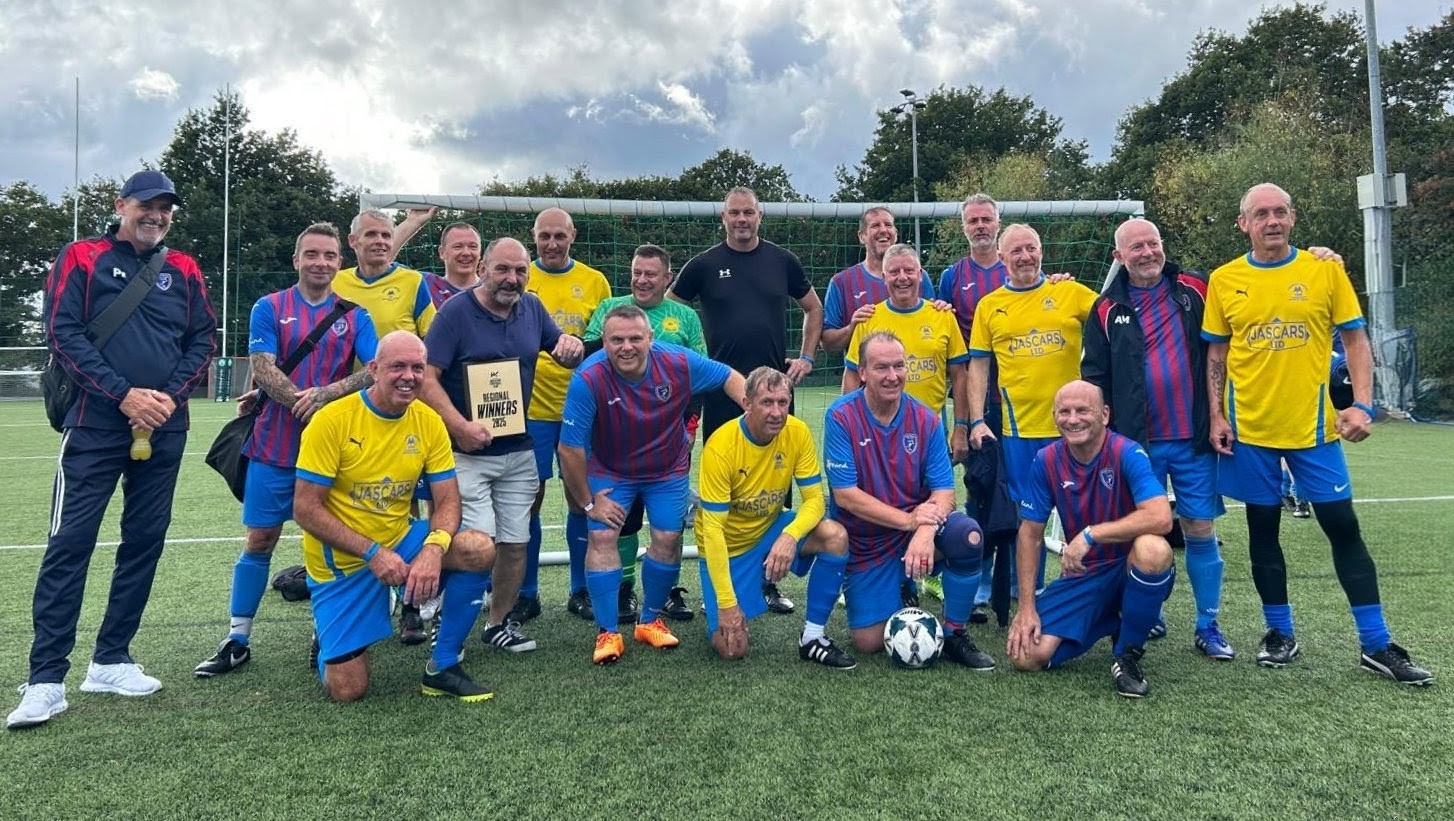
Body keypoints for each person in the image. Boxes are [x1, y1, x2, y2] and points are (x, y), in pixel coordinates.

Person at [9, 170, 217, 729]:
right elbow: (63, 332)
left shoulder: (186, 268)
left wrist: (163, 400)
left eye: (165, 207)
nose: (156, 215)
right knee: (69, 543)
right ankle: (46, 678)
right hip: (93, 424)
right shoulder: (80, 255)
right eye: (146, 204)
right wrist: (124, 395)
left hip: (166, 428)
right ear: (121, 204)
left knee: (143, 542)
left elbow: (204, 340)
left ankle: (111, 658)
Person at [1202, 182, 1432, 685]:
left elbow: (1354, 338)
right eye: (1260, 214)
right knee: (1264, 534)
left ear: (1293, 217)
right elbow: (1216, 354)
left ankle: (1376, 643)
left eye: (1280, 212)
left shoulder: (1324, 269)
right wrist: (1217, 417)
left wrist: (1363, 406)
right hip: (1250, 432)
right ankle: (1279, 633)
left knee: (1343, 528)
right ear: (1244, 224)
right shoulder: (1225, 279)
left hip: (1315, 430)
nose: (1271, 221)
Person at [194, 222, 379, 677]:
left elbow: (374, 369)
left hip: (334, 450)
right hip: (273, 446)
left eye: (330, 256)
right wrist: (304, 399)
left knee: (329, 544)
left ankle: (327, 632)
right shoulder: (269, 307)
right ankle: (237, 638)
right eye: (312, 254)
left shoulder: (356, 315)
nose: (321, 263)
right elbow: (262, 366)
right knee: (260, 540)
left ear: (341, 262)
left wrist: (328, 394)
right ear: (296, 260)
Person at [294, 331, 496, 701]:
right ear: (373, 369)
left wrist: (434, 548)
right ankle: (327, 635)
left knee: (478, 548)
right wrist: (373, 553)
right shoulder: (332, 420)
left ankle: (442, 666)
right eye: (397, 366)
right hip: (343, 561)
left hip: (401, 541)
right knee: (348, 691)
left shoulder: (428, 420)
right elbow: (305, 509)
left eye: (418, 368)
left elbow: (448, 500)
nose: (409, 376)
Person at [419, 237, 584, 653]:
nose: (512, 279)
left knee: (514, 543)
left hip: (517, 450)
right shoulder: (455, 312)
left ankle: (498, 622)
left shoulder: (531, 308)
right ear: (484, 268)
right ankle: (445, 619)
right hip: (466, 452)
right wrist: (458, 426)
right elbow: (426, 377)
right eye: (503, 270)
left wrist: (571, 346)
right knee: (476, 545)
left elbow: (560, 350)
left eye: (520, 271)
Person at [558, 305, 746, 665]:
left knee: (668, 538)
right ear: (605, 343)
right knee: (601, 536)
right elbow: (569, 449)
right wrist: (587, 504)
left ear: (650, 339)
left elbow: (728, 376)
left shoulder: (677, 362)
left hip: (667, 470)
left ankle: (649, 621)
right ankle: (607, 632)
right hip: (611, 471)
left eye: (634, 339)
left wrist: (752, 413)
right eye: (616, 340)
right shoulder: (588, 377)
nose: (625, 347)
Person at [1081, 218, 1233, 660]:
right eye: (1136, 247)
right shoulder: (1106, 308)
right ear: (1119, 257)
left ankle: (1208, 624)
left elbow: (1230, 334)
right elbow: (1095, 376)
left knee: (1200, 528)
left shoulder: (1197, 289)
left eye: (1153, 244)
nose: (1147, 253)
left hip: (1193, 439)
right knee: (1143, 535)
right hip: (1137, 446)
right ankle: (1149, 611)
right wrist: (1104, 437)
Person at [671, 186, 823, 614]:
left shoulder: (782, 261)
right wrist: (690, 362)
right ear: (723, 218)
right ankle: (720, 580)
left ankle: (769, 581)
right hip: (723, 392)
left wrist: (808, 357)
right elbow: (669, 315)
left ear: (760, 216)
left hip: (775, 393)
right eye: (734, 213)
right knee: (725, 489)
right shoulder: (703, 265)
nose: (742, 220)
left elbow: (814, 309)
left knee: (779, 487)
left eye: (749, 213)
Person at [824, 331, 994, 670]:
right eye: (881, 367)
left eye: (899, 366)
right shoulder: (840, 416)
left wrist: (923, 532)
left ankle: (955, 632)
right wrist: (909, 522)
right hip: (867, 540)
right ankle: (899, 584)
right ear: (862, 372)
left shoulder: (926, 419)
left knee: (968, 536)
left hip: (916, 530)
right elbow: (846, 497)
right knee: (868, 641)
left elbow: (945, 492)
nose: (893, 375)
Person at [1005, 381, 1176, 698]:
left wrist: (1091, 534)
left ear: (1105, 414)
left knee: (1152, 549)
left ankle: (1127, 653)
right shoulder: (1046, 460)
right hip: (1086, 575)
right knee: (1026, 656)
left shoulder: (1127, 452)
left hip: (1130, 567)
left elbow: (1161, 517)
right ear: (1054, 417)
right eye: (1064, 412)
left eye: (1083, 410)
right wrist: (1026, 607)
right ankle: (1114, 619)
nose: (1073, 419)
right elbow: (1030, 534)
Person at [966, 223, 1099, 593]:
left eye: (1031, 249)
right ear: (1002, 258)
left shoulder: (1069, 291)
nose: (1025, 257)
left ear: (1041, 251)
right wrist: (976, 420)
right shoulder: (990, 305)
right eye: (1016, 251)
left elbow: (1112, 317)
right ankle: (1028, 592)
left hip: (1076, 429)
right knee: (1029, 519)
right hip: (1019, 432)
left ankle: (1086, 592)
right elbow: (978, 365)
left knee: (1083, 515)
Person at [697, 366, 856, 668]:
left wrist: (789, 536)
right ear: (747, 403)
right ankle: (729, 598)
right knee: (732, 649)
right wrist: (728, 606)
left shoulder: (796, 431)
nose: (776, 412)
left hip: (771, 530)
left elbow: (814, 502)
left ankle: (813, 637)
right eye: (767, 402)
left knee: (835, 536)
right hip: (728, 549)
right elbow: (713, 532)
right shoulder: (721, 446)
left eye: (783, 402)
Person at [581, 244, 707, 622]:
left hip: (669, 442)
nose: (642, 279)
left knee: (668, 522)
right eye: (637, 272)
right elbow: (589, 358)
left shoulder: (684, 317)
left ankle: (664, 592)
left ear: (668, 278)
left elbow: (699, 378)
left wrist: (690, 427)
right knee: (622, 519)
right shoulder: (610, 309)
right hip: (616, 440)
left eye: (651, 273)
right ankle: (623, 589)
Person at [333, 207, 439, 644]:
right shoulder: (337, 281)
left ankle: (412, 603)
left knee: (409, 499)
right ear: (353, 241)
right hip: (348, 408)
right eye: (370, 235)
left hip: (402, 404)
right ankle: (352, 594)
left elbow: (434, 340)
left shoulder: (414, 282)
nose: (379, 241)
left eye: (386, 235)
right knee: (351, 501)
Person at [516, 208, 612, 627]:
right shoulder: (520, 277)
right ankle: (526, 593)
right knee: (526, 503)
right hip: (530, 409)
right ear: (533, 237)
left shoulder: (595, 282)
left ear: (573, 236)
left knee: (581, 499)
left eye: (560, 236)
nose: (551, 244)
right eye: (544, 236)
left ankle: (580, 589)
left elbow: (605, 344)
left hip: (581, 410)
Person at [843, 243, 970, 465]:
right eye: (894, 272)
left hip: (930, 430)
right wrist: (850, 426)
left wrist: (960, 426)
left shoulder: (942, 316)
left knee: (935, 496)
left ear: (920, 275)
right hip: (878, 431)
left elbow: (960, 375)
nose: (902, 277)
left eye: (909, 270)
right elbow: (853, 375)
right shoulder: (870, 319)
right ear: (884, 277)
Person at [820, 206, 933, 353]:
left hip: (916, 372)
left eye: (888, 225)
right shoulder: (841, 282)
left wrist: (941, 308)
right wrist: (852, 328)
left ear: (896, 234)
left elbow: (933, 324)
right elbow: (827, 343)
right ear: (862, 236)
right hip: (865, 374)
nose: (883, 230)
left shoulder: (919, 276)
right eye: (875, 225)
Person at [425, 221, 482, 307]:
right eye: (458, 247)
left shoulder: (492, 290)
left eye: (473, 247)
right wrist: (414, 222)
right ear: (442, 252)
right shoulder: (427, 285)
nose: (466, 253)